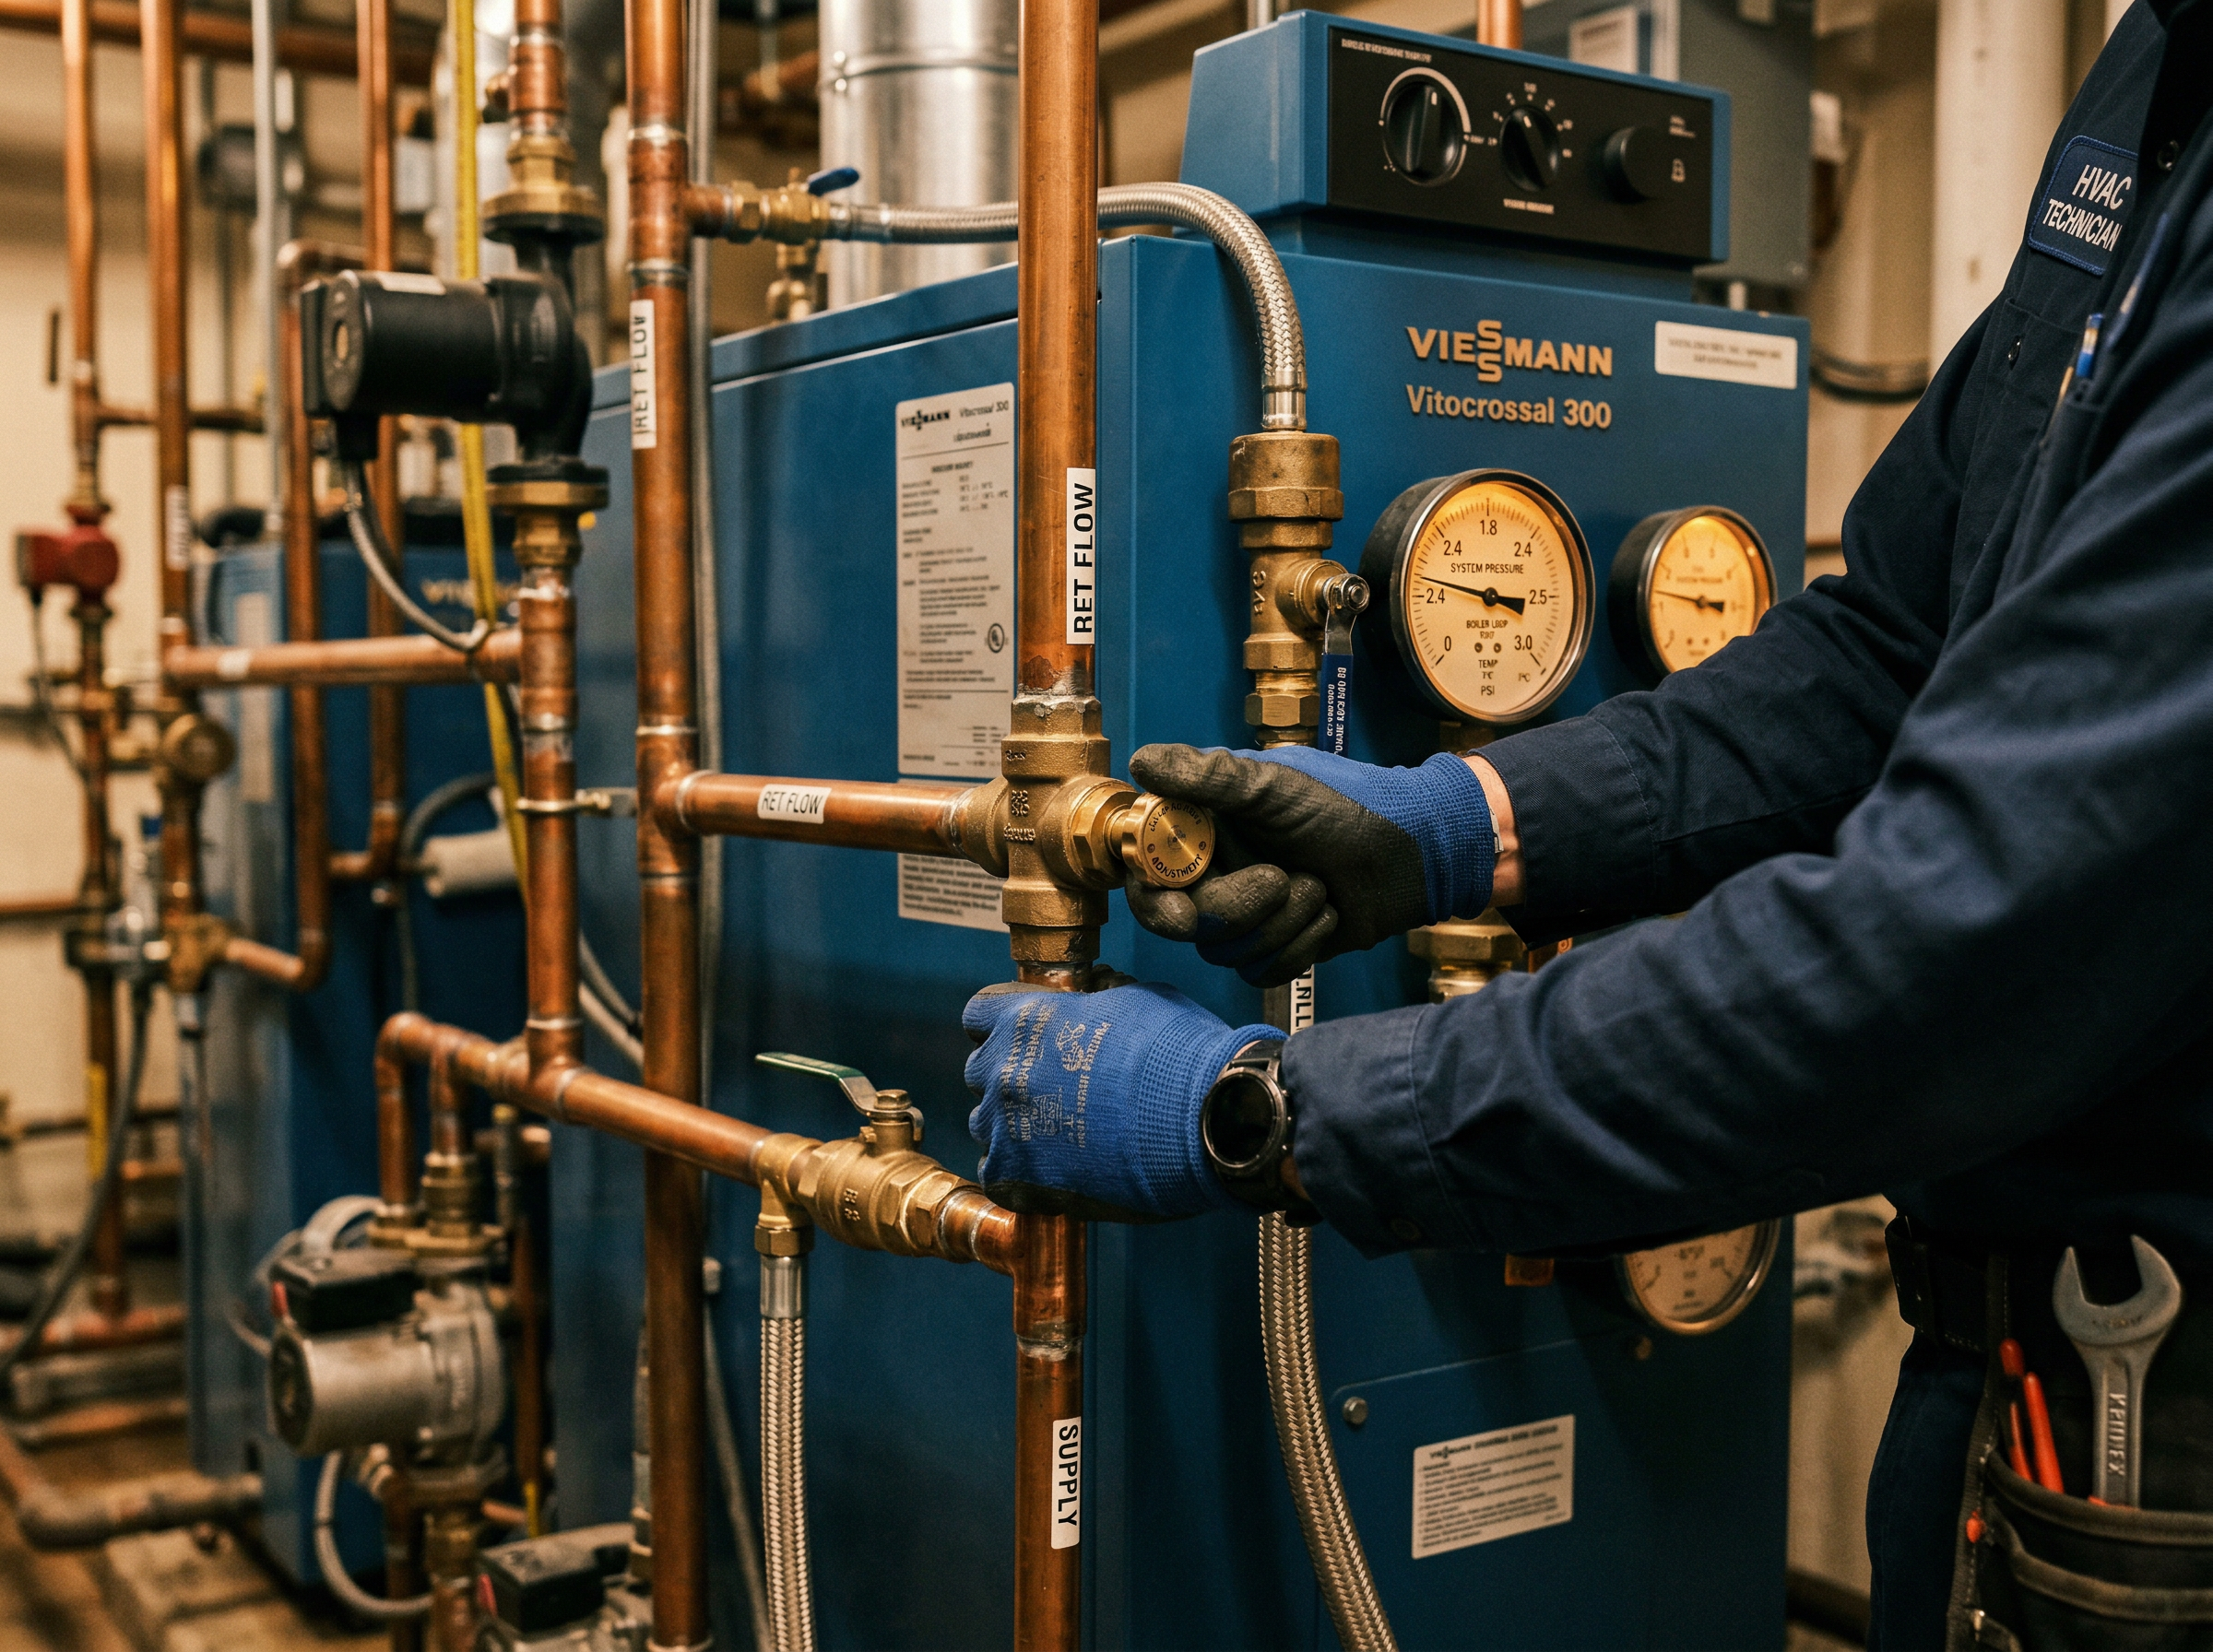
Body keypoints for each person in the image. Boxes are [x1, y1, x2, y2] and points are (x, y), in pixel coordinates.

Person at [963, 6, 2213, 1646]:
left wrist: (1259, 1106)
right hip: (2016, 1379)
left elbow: (1945, 950)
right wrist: (1465, 819)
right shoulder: (2157, 70)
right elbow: (1892, 638)